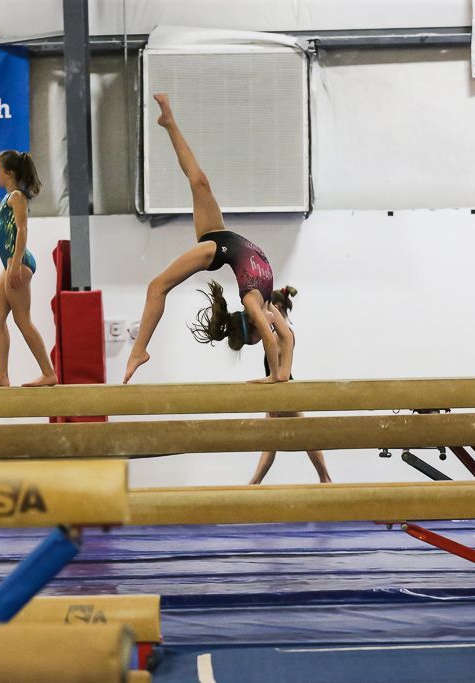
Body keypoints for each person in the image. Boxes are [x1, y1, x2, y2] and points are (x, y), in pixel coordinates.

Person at [123, 94, 293, 384]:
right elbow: (280, 339)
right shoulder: (261, 304)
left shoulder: (258, 302)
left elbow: (280, 339)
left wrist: (279, 377)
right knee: (199, 180)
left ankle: (139, 350)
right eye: (261, 333)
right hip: (220, 240)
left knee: (157, 286)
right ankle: (169, 122)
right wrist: (279, 376)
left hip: (218, 249)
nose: (271, 328)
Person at [0, 150, 58, 388]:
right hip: (11, 263)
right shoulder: (9, 196)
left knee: (23, 320)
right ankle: (2, 375)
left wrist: (16, 262)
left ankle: (48, 372)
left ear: (9, 173)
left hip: (17, 263)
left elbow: (22, 229)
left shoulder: (18, 197)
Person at [247, 286, 331, 485]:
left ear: (275, 307)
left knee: (298, 437)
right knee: (278, 442)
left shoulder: (280, 335)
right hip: (278, 390)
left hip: (281, 390)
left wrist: (274, 397)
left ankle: (324, 478)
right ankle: (324, 478)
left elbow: (282, 374)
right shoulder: (279, 333)